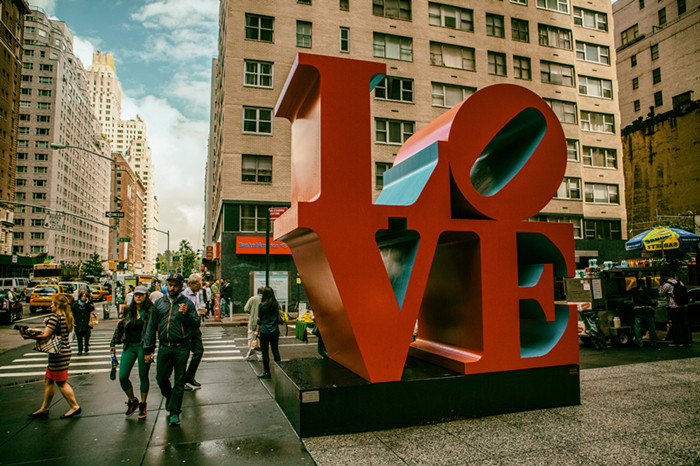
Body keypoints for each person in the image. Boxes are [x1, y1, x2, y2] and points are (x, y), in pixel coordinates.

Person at [143, 273, 199, 426]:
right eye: (170, 284)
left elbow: (195, 324)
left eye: (175, 285)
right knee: (161, 379)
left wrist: (186, 315)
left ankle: (175, 412)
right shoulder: (160, 303)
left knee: (179, 381)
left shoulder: (187, 303)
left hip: (181, 346)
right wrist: (148, 349)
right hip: (164, 346)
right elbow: (151, 327)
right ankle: (170, 397)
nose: (172, 288)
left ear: (181, 287)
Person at [20, 294, 81, 419]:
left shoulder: (55, 318)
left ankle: (74, 406)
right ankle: (44, 407)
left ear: (57, 305)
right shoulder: (66, 317)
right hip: (63, 351)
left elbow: (45, 335)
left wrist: (28, 336)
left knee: (61, 382)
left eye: (52, 303)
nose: (50, 305)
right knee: (49, 379)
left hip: (59, 353)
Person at [110, 285, 153, 418]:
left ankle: (143, 404)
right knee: (122, 376)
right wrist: (113, 343)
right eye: (136, 295)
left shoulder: (150, 311)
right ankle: (133, 400)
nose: (138, 297)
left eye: (141, 294)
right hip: (129, 345)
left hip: (143, 346)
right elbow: (121, 326)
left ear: (146, 296)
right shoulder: (128, 309)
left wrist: (150, 350)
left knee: (143, 376)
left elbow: (151, 332)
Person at [182, 273, 206, 390]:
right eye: (198, 284)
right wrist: (195, 313)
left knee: (199, 351)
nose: (200, 286)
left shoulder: (197, 293)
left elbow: (196, 307)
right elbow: (182, 313)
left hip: (195, 327)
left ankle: (189, 376)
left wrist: (200, 310)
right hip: (186, 328)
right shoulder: (184, 296)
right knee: (184, 355)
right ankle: (181, 381)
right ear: (191, 284)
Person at [254, 287, 282, 379]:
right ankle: (280, 370)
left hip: (265, 331)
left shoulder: (261, 305)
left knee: (265, 352)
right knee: (275, 350)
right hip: (275, 331)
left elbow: (259, 319)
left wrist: (257, 331)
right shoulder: (276, 304)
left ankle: (266, 371)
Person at [659, 271, 692, 347]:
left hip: (674, 306)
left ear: (664, 276)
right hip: (683, 305)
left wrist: (660, 285)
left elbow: (661, 294)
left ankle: (678, 340)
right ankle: (687, 340)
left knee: (676, 323)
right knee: (684, 323)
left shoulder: (667, 285)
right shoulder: (680, 282)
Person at [629, 278, 658, 347]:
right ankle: (653, 341)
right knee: (651, 327)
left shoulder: (634, 290)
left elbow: (627, 292)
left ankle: (639, 342)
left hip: (638, 310)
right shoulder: (649, 291)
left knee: (638, 327)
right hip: (648, 310)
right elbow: (655, 302)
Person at [244, 287, 264, 360]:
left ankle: (249, 356)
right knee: (261, 340)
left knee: (251, 340)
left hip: (253, 322)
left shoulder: (253, 299)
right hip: (263, 323)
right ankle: (260, 356)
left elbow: (246, 309)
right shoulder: (266, 300)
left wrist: (252, 312)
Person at [72, 290, 94, 355]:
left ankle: (86, 347)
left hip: (86, 323)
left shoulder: (89, 304)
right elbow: (73, 313)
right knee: (79, 338)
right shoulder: (76, 304)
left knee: (87, 336)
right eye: (83, 296)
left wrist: (87, 303)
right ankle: (80, 349)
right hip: (78, 323)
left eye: (85, 296)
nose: (83, 298)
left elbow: (91, 309)